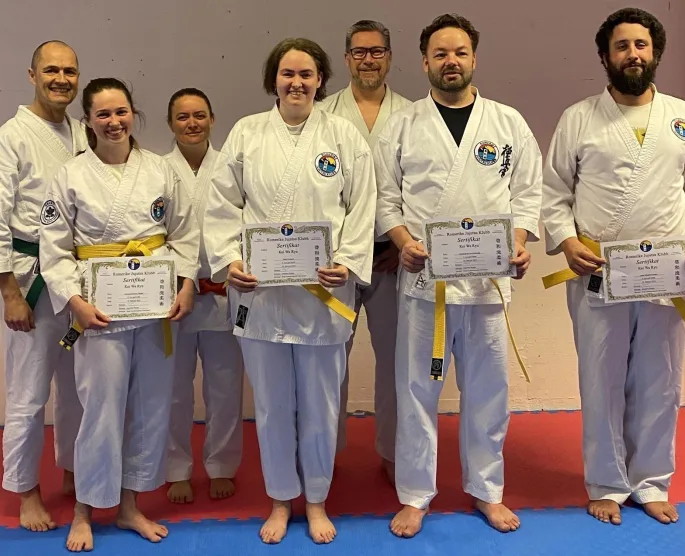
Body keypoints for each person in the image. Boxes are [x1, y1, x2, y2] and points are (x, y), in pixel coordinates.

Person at [541, 7, 685, 526]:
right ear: (605, 56)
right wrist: (566, 241)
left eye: (641, 45)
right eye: (621, 46)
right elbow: (554, 194)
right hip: (599, 269)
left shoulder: (684, 118)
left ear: (655, 52)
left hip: (666, 271)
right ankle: (606, 482)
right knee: (601, 379)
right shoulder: (579, 118)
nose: (632, 54)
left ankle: (651, 481)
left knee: (660, 378)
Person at [373, 14, 542, 537]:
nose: (451, 62)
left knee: (489, 391)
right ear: (425, 61)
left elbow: (527, 194)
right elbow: (385, 199)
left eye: (460, 52)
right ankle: (415, 495)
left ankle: (487, 490)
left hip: (487, 285)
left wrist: (518, 242)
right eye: (441, 53)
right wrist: (403, 243)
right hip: (426, 283)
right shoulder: (402, 125)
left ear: (474, 58)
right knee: (416, 392)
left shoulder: (508, 122)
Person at [204, 38, 376, 545]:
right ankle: (280, 499)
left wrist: (347, 260)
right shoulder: (246, 132)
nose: (296, 83)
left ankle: (317, 499)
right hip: (261, 296)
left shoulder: (343, 134)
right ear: (273, 80)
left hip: (324, 295)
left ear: (321, 80)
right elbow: (222, 204)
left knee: (322, 404)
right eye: (287, 74)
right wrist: (230, 260)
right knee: (273, 405)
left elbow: (362, 205)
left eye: (306, 74)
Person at [38, 77, 199, 551]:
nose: (114, 122)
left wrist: (187, 284)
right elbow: (54, 248)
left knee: (150, 408)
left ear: (134, 114)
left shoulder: (160, 170)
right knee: (100, 411)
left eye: (121, 111)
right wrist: (75, 301)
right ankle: (85, 510)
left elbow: (185, 233)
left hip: (154, 308)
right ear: (88, 120)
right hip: (98, 310)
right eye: (103, 114)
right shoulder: (70, 174)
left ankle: (129, 506)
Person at [0, 40, 85, 532]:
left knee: (80, 387)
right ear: (32, 74)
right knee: (29, 392)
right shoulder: (7, 140)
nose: (61, 79)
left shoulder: (82, 133)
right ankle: (25, 489)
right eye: (51, 70)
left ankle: (74, 469)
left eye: (70, 71)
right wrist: (9, 292)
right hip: (31, 282)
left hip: (77, 280)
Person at [316, 20, 411, 483]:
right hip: (337, 263)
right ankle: (325, 455)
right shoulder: (322, 114)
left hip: (394, 260)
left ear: (389, 57)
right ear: (347, 59)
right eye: (359, 52)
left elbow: (424, 190)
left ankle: (393, 453)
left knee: (396, 362)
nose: (368, 59)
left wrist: (404, 242)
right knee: (329, 359)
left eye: (376, 51)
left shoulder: (414, 114)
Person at [163, 88, 244, 504]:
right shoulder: (158, 170)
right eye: (182, 117)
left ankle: (221, 465)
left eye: (199, 115)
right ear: (170, 123)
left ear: (212, 119)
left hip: (222, 292)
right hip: (173, 297)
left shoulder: (230, 166)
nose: (191, 123)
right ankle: (176, 468)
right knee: (173, 389)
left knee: (225, 387)